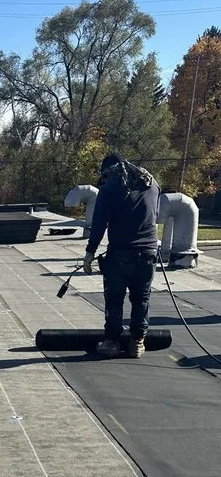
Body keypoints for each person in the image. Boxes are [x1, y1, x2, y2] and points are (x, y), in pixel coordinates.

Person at [83, 153, 160, 358]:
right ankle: (137, 342)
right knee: (141, 298)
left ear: (108, 172)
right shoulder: (152, 184)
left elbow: (99, 225)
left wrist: (90, 253)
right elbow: (154, 215)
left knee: (114, 299)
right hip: (148, 253)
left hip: (121, 254)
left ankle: (112, 342)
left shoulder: (109, 190)